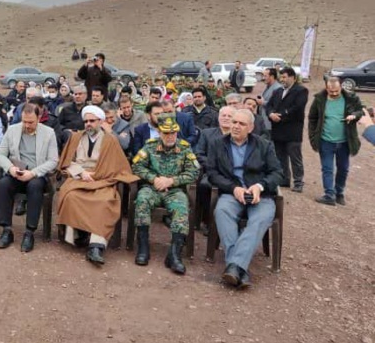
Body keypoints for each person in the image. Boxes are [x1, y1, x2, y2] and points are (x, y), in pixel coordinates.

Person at [207, 109, 283, 289]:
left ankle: (234, 266)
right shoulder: (217, 144)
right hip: (232, 192)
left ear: (250, 128)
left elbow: (278, 173)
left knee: (260, 219)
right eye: (234, 122)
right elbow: (212, 173)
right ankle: (240, 268)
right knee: (222, 211)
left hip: (259, 195)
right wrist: (233, 188)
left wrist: (260, 186)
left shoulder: (264, 145)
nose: (235, 126)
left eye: (241, 124)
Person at [56, 105, 138, 265]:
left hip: (102, 180)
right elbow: (67, 162)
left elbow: (118, 165)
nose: (88, 124)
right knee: (71, 196)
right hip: (79, 178)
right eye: (86, 121)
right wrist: (81, 172)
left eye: (92, 121)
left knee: (105, 201)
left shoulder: (111, 140)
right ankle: (79, 235)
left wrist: (99, 174)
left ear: (101, 121)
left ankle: (96, 245)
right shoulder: (75, 137)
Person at [131, 113, 200, 274]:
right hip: (152, 188)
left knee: (181, 208)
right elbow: (137, 166)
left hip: (174, 190)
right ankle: (143, 247)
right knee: (142, 200)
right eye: (166, 133)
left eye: (173, 133)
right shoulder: (150, 145)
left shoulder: (184, 147)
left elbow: (194, 172)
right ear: (160, 132)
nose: (170, 136)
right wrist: (154, 179)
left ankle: (175, 254)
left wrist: (172, 181)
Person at [0, 104, 59, 252]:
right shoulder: (12, 130)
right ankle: (6, 229)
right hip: (17, 172)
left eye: (31, 122)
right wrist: (10, 168)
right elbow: (0, 154)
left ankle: (29, 232)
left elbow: (53, 160)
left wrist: (34, 173)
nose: (27, 125)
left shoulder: (49, 133)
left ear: (39, 118)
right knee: (3, 183)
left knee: (34, 186)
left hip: (37, 174)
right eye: (24, 121)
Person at [307, 76, 365, 206]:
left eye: (336, 91)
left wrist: (354, 115)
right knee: (327, 169)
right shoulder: (319, 100)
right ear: (326, 88)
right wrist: (313, 136)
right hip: (325, 141)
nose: (333, 93)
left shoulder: (351, 98)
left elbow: (360, 111)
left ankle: (339, 193)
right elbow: (312, 118)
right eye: (330, 91)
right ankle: (329, 195)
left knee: (343, 169)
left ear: (341, 87)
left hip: (345, 141)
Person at [265, 67, 309, 192]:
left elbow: (297, 108)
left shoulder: (301, 91)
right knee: (280, 156)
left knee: (295, 157)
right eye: (281, 77)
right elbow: (269, 106)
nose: (282, 79)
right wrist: (270, 114)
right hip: (278, 130)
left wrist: (281, 115)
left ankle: (298, 182)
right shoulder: (278, 91)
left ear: (292, 77)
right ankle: (284, 179)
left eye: (284, 77)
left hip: (292, 130)